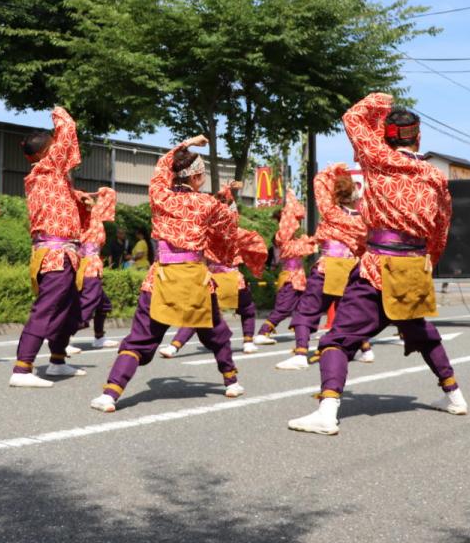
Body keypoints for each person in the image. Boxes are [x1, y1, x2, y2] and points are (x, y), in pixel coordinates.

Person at [289, 94, 463, 436]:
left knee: (337, 339)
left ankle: (327, 410)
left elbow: (353, 117)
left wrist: (382, 100)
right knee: (420, 333)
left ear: (386, 136)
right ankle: (455, 396)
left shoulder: (378, 157)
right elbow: (443, 224)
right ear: (418, 137)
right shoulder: (434, 176)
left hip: (378, 264)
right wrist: (432, 259)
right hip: (414, 264)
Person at [90, 136, 244, 413]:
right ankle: (230, 381)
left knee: (140, 338)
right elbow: (229, 228)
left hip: (161, 277)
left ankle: (110, 394)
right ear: (197, 176)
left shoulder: (159, 196)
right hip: (195, 279)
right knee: (215, 332)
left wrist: (184, 144)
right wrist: (227, 200)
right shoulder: (208, 204)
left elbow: (162, 166)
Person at [10, 108, 89, 387]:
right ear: (47, 152)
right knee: (46, 309)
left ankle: (57, 361)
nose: (59, 149)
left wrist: (81, 200)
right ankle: (22, 369)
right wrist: (59, 112)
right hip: (56, 255)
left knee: (69, 310)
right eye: (54, 147)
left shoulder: (46, 177)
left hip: (62, 253)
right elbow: (68, 129)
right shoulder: (48, 169)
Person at [160, 182, 267, 357]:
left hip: (211, 279)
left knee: (198, 313)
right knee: (247, 309)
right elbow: (257, 245)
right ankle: (248, 342)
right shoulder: (237, 232)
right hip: (233, 280)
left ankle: (174, 346)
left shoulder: (205, 232)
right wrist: (254, 264)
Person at [277, 163, 367, 371]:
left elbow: (319, 180)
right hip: (352, 268)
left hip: (328, 267)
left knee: (307, 309)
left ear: (335, 194)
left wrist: (333, 169)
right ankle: (365, 349)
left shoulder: (331, 212)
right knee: (350, 311)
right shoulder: (363, 221)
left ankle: (301, 353)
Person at [252, 191, 316, 345]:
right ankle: (263, 332)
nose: (298, 224)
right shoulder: (282, 238)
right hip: (289, 278)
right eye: (295, 221)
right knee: (283, 308)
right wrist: (291, 202)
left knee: (304, 307)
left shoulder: (293, 239)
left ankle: (303, 331)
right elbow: (305, 246)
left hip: (298, 278)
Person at [75, 187, 121, 350]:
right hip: (86, 264)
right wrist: (82, 196)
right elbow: (72, 195)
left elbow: (110, 192)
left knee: (103, 304)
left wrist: (95, 193)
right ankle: (63, 337)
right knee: (88, 301)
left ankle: (99, 337)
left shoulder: (95, 213)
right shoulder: (79, 215)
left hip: (93, 262)